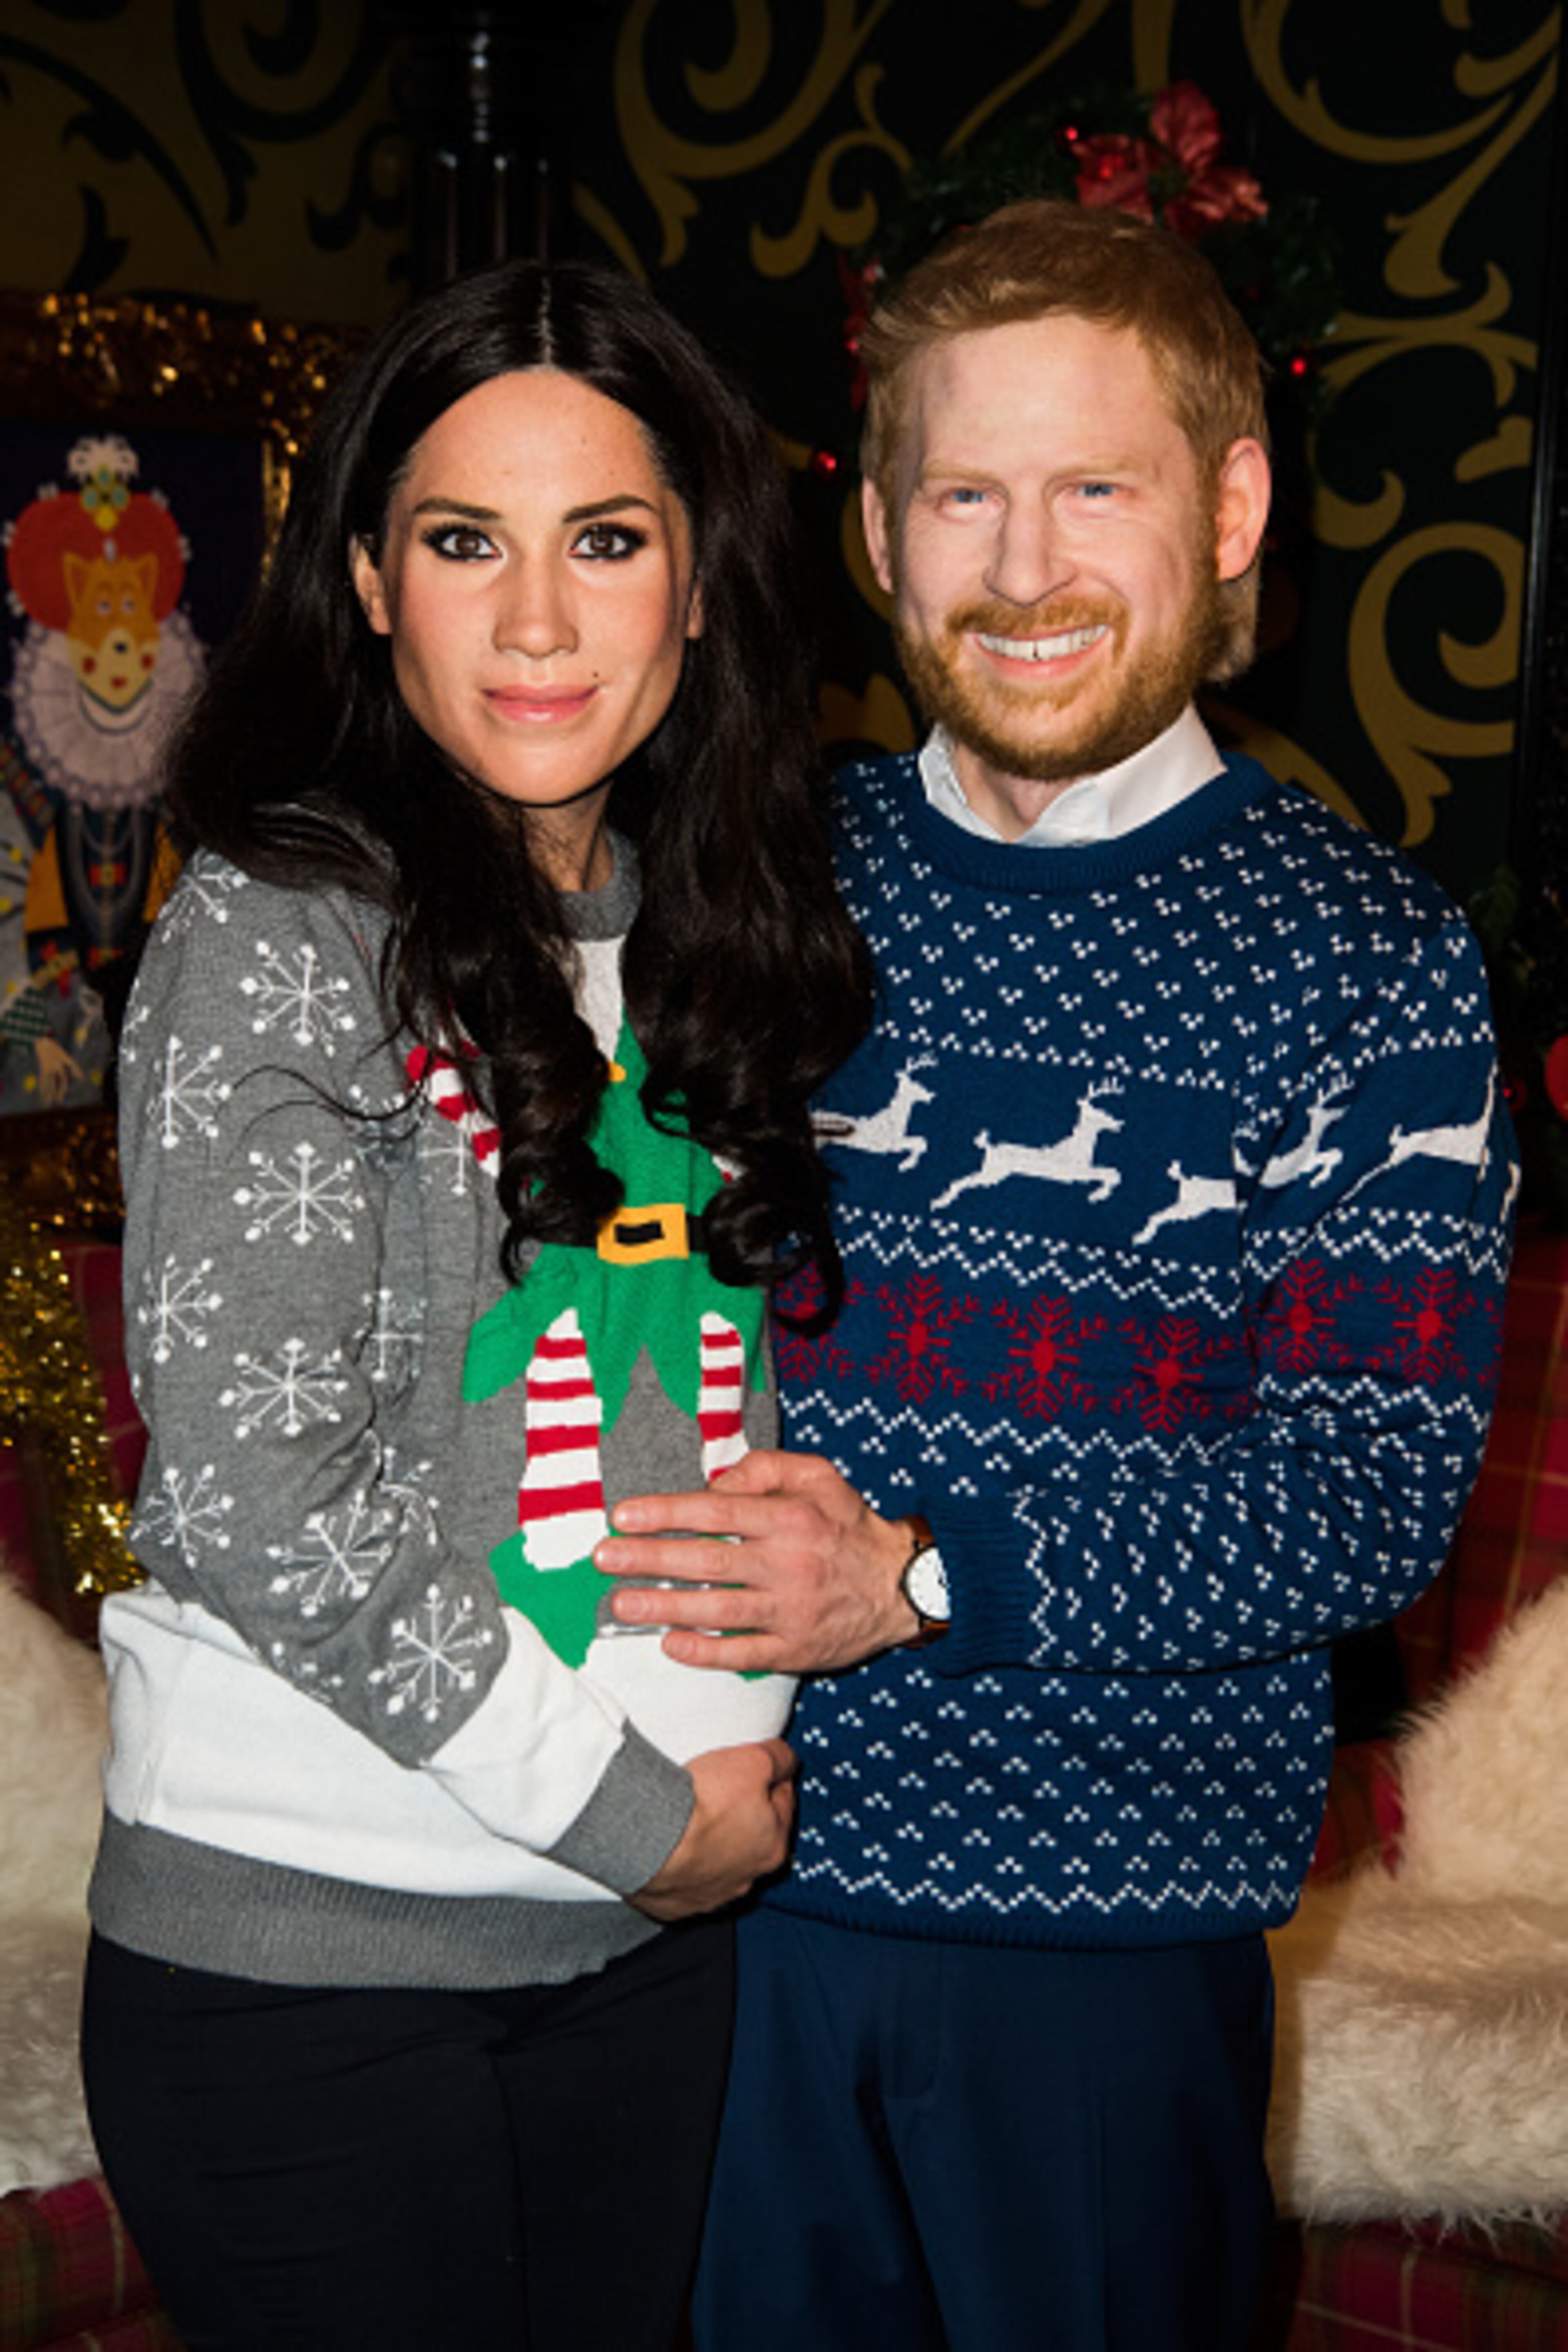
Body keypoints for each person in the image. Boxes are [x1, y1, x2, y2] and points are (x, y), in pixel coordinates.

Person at [594, 200, 1518, 2350]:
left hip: (1105, 1968)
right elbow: (604, 1298)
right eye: (965, 496)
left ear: (1228, 508)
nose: (1023, 574)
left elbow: (1364, 1498)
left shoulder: (1372, 961)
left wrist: (916, 1573)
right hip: (706, 1904)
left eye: (1093, 488)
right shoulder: (745, 879)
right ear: (884, 539)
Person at [80, 257, 871, 2352]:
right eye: (463, 542)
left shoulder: (702, 937)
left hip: (635, 1966)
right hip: (319, 1989)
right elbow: (265, 1499)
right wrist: (644, 1825)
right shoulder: (284, 926)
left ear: (698, 590)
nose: (537, 621)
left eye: (606, 543)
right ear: (366, 578)